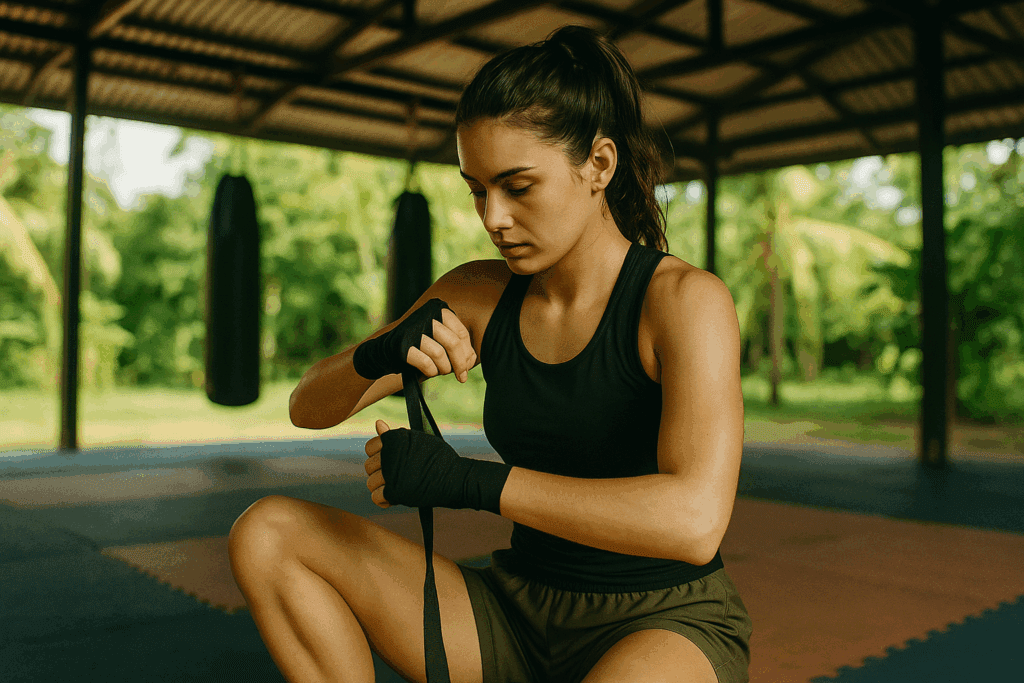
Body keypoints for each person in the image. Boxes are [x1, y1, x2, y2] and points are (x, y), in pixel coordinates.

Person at [228, 25, 751, 683]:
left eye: (518, 186)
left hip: (665, 621)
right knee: (268, 531)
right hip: (515, 610)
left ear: (600, 166)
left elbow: (695, 521)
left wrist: (471, 481)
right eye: (477, 189)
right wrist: (376, 354)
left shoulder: (683, 301)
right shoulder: (477, 293)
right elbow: (307, 407)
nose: (493, 217)